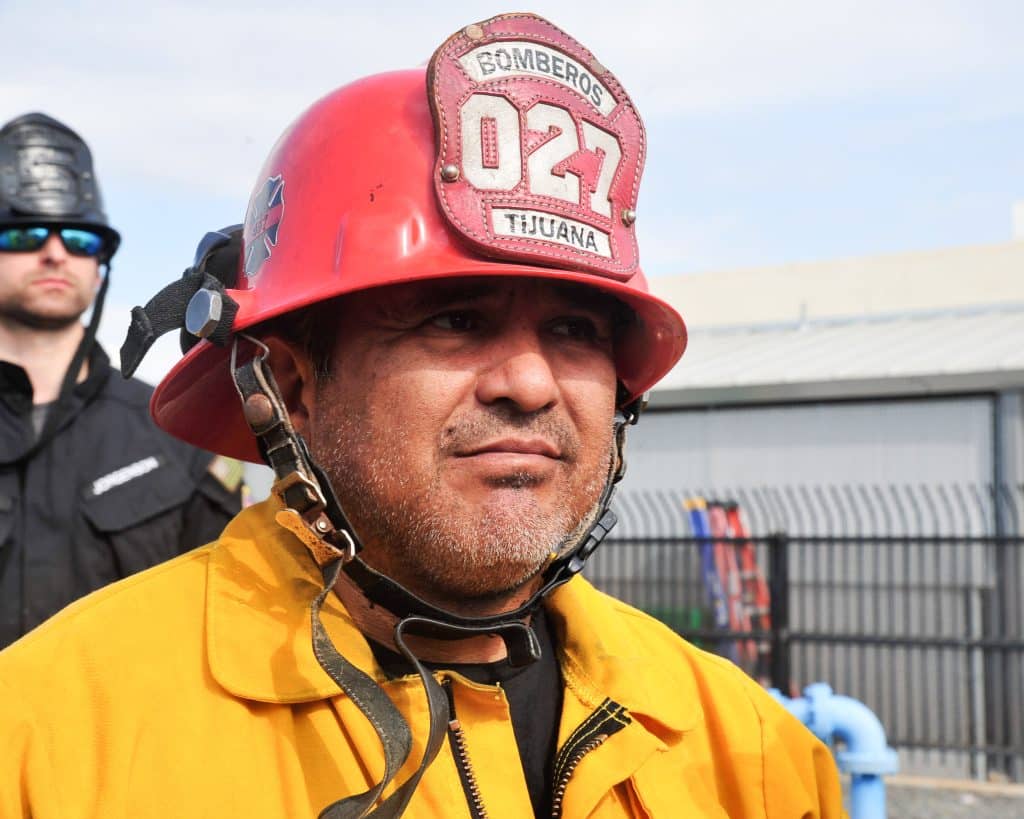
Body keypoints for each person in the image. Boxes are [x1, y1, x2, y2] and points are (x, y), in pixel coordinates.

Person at [0, 15, 844, 818]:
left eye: (577, 330)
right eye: (454, 319)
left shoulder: (756, 758)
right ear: (291, 385)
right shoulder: (51, 740)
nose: (529, 382)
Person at [0, 112, 243, 649]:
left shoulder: (177, 433)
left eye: (82, 240)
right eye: (25, 233)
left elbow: (228, 625)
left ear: (101, 262)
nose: (55, 252)